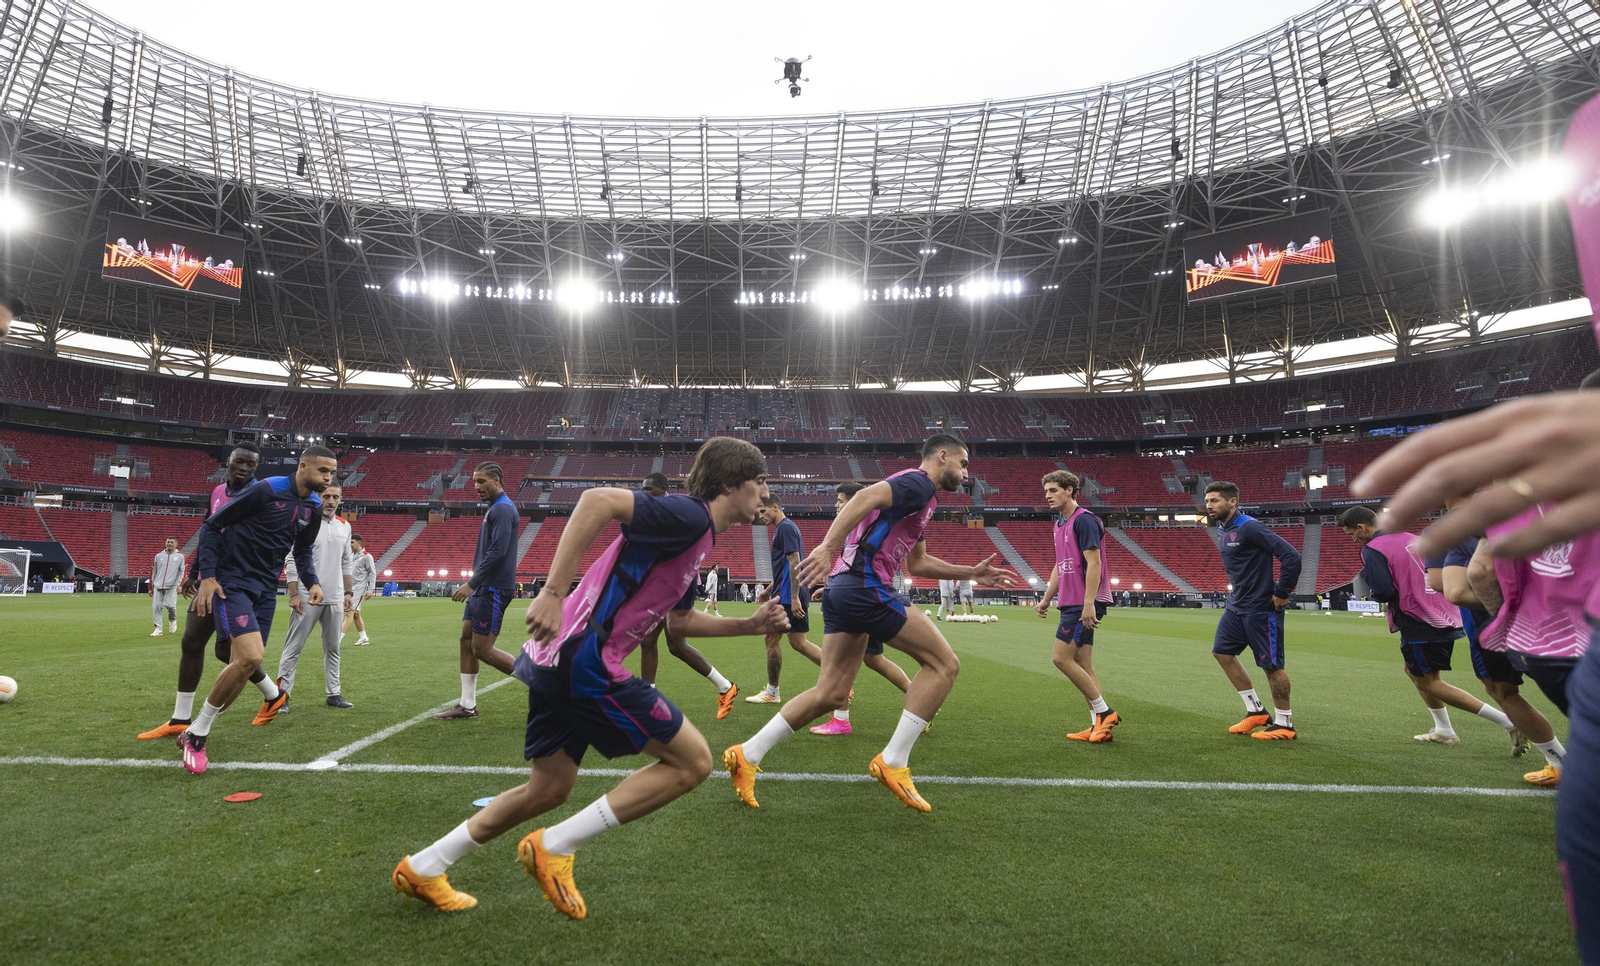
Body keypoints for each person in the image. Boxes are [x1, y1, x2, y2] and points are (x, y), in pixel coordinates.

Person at [391, 437, 789, 918]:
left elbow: (680, 623)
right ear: (729, 484)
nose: (765, 492)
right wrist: (552, 593)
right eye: (760, 481)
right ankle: (554, 847)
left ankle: (424, 866)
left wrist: (749, 625)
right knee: (693, 762)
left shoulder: (698, 533)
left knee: (548, 790)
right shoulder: (689, 516)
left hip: (559, 658)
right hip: (585, 659)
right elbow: (596, 500)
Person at [724, 435, 1018, 811]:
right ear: (942, 456)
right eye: (963, 464)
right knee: (944, 664)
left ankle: (747, 754)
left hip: (845, 589)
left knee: (831, 693)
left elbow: (918, 563)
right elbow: (864, 497)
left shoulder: (923, 499)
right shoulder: (918, 482)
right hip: (866, 586)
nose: (966, 473)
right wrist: (828, 546)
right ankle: (893, 760)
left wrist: (971, 573)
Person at [179, 445, 336, 774]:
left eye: (332, 473)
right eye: (323, 470)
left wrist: (313, 582)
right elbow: (212, 527)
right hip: (233, 582)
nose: (328, 477)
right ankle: (196, 733)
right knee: (250, 656)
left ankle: (201, 727)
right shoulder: (266, 490)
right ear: (303, 466)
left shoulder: (313, 506)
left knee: (244, 663)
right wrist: (208, 577)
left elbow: (302, 552)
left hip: (265, 590)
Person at [136, 442, 285, 740]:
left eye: (251, 464)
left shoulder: (258, 495)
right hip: (209, 580)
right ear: (229, 461)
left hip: (234, 582)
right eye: (240, 461)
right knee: (191, 642)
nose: (244, 468)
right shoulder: (217, 492)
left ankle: (273, 694)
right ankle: (180, 718)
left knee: (225, 652)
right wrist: (195, 573)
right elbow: (209, 531)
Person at [1338, 505, 1520, 747]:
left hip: (1417, 619)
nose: (1354, 540)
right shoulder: (1413, 539)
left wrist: (1375, 594)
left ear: (1362, 527)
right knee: (1413, 671)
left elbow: (1383, 590)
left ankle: (1510, 722)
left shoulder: (1373, 549)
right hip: (1445, 614)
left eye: (1352, 534)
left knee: (1429, 682)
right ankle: (1444, 729)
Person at [1443, 531, 1567, 786]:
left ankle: (1560, 764)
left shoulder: (1462, 536)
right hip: (1559, 618)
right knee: (1579, 687)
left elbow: (1455, 590)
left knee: (1504, 692)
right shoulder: (1542, 522)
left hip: (1493, 629)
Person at [809, 481, 916, 736]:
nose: (836, 506)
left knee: (843, 662)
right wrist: (833, 587)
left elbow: (864, 567)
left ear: (856, 502)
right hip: (860, 595)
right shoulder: (855, 528)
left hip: (864, 598)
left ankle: (919, 706)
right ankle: (918, 703)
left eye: (840, 501)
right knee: (872, 660)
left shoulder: (865, 527)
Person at [633, 473, 740, 719]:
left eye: (649, 489)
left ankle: (726, 687)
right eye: (642, 489)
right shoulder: (655, 513)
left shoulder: (675, 511)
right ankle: (648, 699)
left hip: (676, 583)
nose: (644, 493)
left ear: (663, 489)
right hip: (661, 582)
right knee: (651, 641)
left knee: (675, 645)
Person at [1203, 481, 1300, 739]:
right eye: (1207, 501)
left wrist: (1282, 592)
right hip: (1236, 606)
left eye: (1215, 500)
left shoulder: (1250, 527)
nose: (1209, 506)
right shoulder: (1223, 529)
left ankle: (1285, 724)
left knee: (1271, 666)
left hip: (1261, 608)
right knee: (1222, 653)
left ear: (1232, 501)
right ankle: (1256, 711)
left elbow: (1292, 556)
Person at [1034, 470, 1118, 742]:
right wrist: (1047, 598)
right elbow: (1061, 565)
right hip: (1071, 602)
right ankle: (1098, 727)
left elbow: (1095, 563)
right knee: (1083, 664)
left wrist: (1089, 603)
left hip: (1083, 604)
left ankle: (1105, 713)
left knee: (1060, 658)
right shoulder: (1059, 524)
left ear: (1069, 490)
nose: (1048, 496)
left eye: (1053, 490)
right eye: (1046, 491)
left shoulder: (1085, 520)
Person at [435, 463, 521, 720]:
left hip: (492, 588)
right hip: (484, 587)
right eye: (474, 481)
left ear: (497, 480)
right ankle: (467, 705)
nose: (476, 487)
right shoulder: (495, 508)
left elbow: (498, 552)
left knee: (482, 649)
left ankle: (549, 688)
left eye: (482, 481)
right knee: (466, 639)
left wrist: (472, 583)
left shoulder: (503, 509)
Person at [276, 484, 356, 710]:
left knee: (333, 648)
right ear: (318, 497)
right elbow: (292, 559)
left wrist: (348, 592)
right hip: (306, 595)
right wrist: (294, 594)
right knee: (293, 647)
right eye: (326, 496)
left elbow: (346, 561)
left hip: (335, 595)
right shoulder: (304, 521)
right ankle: (281, 697)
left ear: (340, 499)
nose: (330, 501)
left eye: (335, 497)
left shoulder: (345, 526)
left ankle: (334, 694)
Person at [748, 494, 819, 703]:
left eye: (763, 511)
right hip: (786, 593)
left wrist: (794, 597)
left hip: (788, 596)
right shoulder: (786, 528)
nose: (761, 516)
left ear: (775, 507)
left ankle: (772, 693)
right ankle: (841, 680)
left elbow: (795, 561)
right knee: (799, 642)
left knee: (771, 638)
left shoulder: (785, 528)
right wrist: (768, 590)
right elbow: (785, 566)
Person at [344, 533, 377, 646]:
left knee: (349, 613)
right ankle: (364, 638)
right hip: (349, 589)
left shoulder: (367, 556)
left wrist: (370, 590)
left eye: (352, 542)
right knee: (356, 614)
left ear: (359, 543)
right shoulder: (350, 555)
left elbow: (372, 573)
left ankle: (336, 641)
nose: (350, 545)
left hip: (358, 589)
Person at [149, 537, 185, 636]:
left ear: (176, 544)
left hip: (172, 585)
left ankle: (172, 620)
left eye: (172, 542)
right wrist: (150, 587)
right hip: (158, 584)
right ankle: (158, 629)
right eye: (168, 542)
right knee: (156, 607)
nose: (169, 544)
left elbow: (183, 571)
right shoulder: (158, 556)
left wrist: (180, 584)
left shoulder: (180, 556)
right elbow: (153, 571)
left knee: (170, 606)